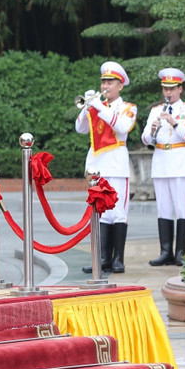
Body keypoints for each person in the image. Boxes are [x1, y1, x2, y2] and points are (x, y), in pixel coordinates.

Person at [76, 61, 137, 274]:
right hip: (97, 165)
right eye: (104, 81)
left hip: (117, 164)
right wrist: (87, 107)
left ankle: (118, 259)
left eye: (110, 82)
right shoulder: (96, 105)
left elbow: (122, 127)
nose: (105, 86)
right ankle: (102, 258)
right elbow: (80, 128)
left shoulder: (128, 108)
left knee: (118, 212)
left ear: (120, 86)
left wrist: (100, 106)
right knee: (101, 213)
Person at [141, 68, 185, 266]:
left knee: (181, 207)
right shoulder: (156, 111)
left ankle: (180, 252)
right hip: (160, 160)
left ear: (180, 89)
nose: (168, 93)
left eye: (172, 89)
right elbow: (145, 138)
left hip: (180, 159)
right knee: (163, 207)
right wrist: (153, 129)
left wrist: (174, 123)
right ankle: (165, 251)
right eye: (165, 88)